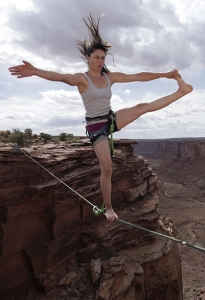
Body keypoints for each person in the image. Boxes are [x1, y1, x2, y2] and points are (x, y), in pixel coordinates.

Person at [8, 13, 193, 222]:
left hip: (110, 119)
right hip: (96, 128)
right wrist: (35, 71)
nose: (100, 61)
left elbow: (138, 76)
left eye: (102, 58)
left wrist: (164, 74)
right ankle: (109, 208)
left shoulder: (109, 77)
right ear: (87, 58)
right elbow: (60, 76)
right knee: (107, 168)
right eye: (96, 57)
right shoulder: (81, 79)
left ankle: (181, 91)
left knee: (143, 106)